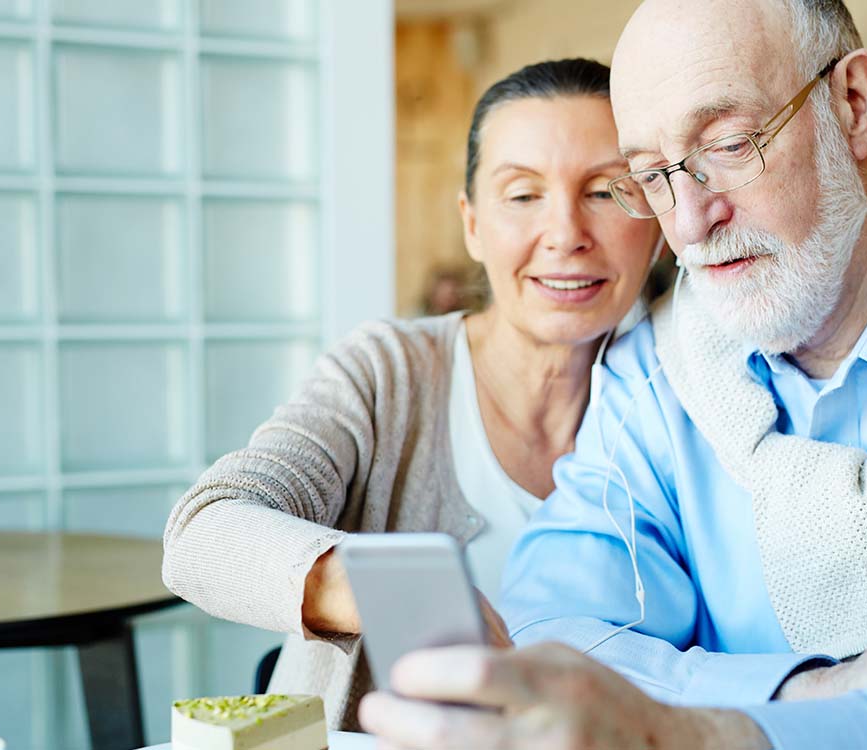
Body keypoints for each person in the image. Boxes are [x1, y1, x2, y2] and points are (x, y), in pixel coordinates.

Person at [356, 2, 867, 749]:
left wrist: (690, 734)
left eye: (727, 145)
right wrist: (826, 684)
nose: (689, 221)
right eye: (651, 174)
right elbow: (555, 626)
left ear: (854, 104)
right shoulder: (656, 373)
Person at [160, 58, 663, 729]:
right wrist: (382, 589)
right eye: (522, 195)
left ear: (657, 219)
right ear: (473, 225)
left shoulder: (680, 398)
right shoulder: (387, 375)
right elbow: (203, 533)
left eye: (605, 191)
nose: (566, 233)